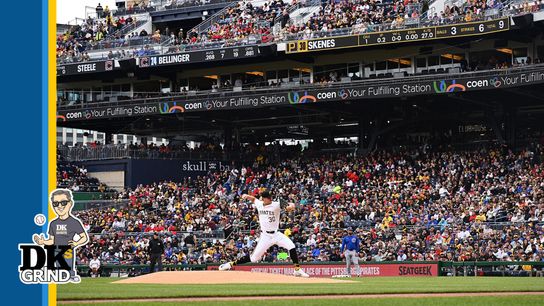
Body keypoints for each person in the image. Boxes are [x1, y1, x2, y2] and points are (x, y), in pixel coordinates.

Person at [218, 191, 309, 277]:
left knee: (292, 246)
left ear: (267, 199)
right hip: (265, 236)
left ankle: (297, 270)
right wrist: (247, 196)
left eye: (264, 198)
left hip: (276, 234)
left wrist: (291, 206)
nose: (262, 199)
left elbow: (290, 207)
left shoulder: (276, 204)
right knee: (254, 258)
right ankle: (230, 264)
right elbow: (254, 199)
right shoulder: (260, 204)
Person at [33, 189, 89, 283]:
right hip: (55, 250)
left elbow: (84, 237)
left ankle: (70, 275)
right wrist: (42, 242)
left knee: (67, 266)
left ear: (70, 203)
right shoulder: (53, 223)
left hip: (67, 249)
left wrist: (76, 243)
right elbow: (51, 240)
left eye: (63, 202)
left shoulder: (74, 222)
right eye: (55, 204)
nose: (59, 206)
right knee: (57, 268)